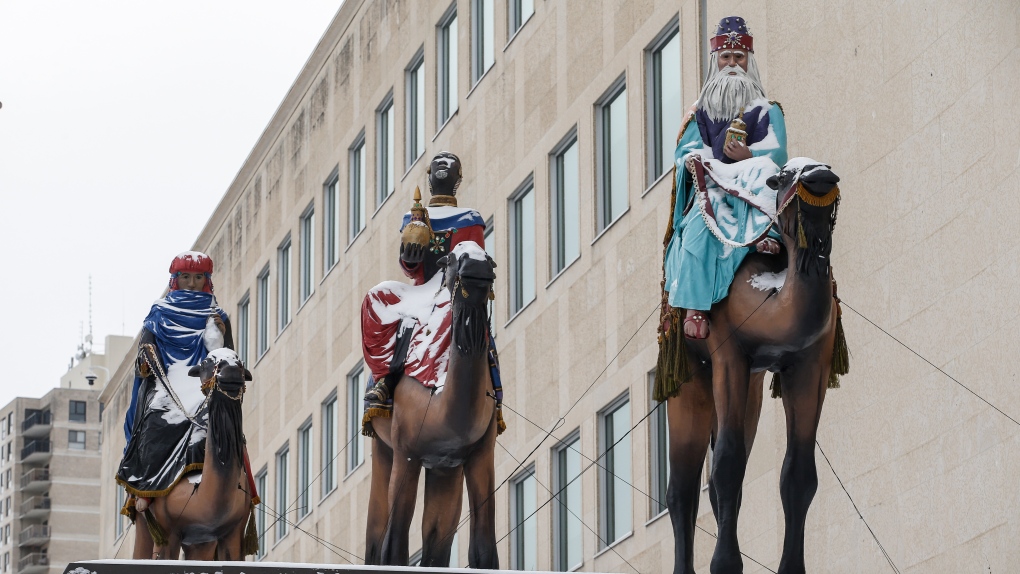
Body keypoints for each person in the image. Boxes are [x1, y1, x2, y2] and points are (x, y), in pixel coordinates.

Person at [663, 16, 789, 339]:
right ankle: (696, 307)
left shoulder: (768, 109)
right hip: (715, 185)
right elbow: (686, 153)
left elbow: (777, 155)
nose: (733, 64)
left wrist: (748, 158)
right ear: (715, 61)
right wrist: (711, 165)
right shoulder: (699, 114)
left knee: (767, 177)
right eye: (726, 57)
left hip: (754, 180)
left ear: (749, 60)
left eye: (739, 57)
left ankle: (764, 238)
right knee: (696, 228)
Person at [362, 152, 502, 422]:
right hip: (420, 289)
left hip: (452, 288)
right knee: (376, 298)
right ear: (429, 179)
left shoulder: (470, 218)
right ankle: (385, 378)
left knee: (452, 313)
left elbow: (474, 259)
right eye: (438, 167)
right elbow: (409, 268)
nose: (443, 171)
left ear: (458, 178)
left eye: (449, 168)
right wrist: (410, 257)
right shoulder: (414, 217)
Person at [117, 251, 233, 508]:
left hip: (202, 383)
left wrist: (222, 337)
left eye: (197, 277)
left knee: (218, 423)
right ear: (175, 279)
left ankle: (224, 484)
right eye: (185, 277)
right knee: (155, 419)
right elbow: (145, 351)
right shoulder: (159, 312)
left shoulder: (218, 317)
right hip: (167, 381)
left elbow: (229, 358)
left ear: (206, 280)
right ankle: (146, 487)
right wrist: (147, 359)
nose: (191, 283)